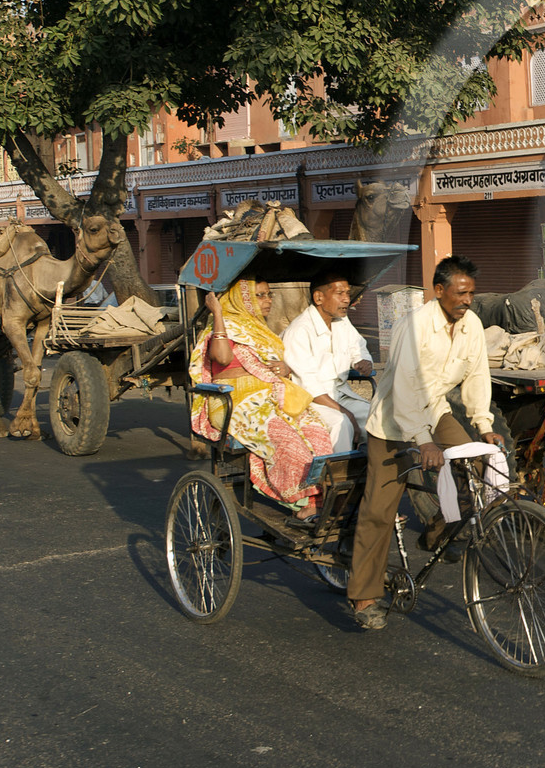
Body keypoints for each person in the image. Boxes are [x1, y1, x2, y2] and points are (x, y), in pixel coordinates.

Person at [346, 255, 505, 631]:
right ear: (439, 291)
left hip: (434, 412)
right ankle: (364, 595)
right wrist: (423, 441)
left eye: (471, 293)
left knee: (475, 468)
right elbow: (404, 387)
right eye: (460, 293)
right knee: (379, 511)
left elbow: (478, 376)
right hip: (392, 424)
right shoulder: (414, 326)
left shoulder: (472, 325)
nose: (467, 300)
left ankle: (438, 532)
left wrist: (484, 425)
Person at [189, 279, 334, 523]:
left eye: (268, 294)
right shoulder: (225, 327)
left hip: (271, 395)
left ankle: (317, 499)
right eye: (260, 295)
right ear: (241, 300)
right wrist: (219, 313)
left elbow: (280, 365)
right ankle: (303, 499)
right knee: (288, 441)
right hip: (234, 400)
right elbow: (222, 358)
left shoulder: (260, 330)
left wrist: (284, 367)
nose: (268, 300)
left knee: (318, 431)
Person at [282, 271, 374, 454]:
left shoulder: (342, 322)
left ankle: (370, 472)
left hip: (340, 394)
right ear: (319, 298)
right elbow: (309, 387)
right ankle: (337, 476)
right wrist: (345, 412)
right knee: (341, 423)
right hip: (311, 401)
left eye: (348, 293)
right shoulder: (299, 331)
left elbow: (358, 346)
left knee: (376, 417)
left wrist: (362, 361)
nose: (347, 299)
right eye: (340, 294)